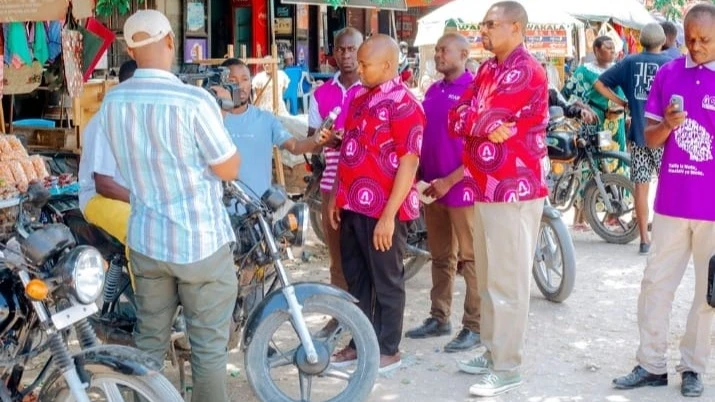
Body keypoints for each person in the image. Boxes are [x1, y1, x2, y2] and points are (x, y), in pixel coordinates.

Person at [97, 10, 240, 402]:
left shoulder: (113, 102)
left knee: (149, 344)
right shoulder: (193, 101)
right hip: (200, 243)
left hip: (146, 240)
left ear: (129, 49)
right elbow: (228, 167)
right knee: (208, 349)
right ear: (171, 42)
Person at [612, 4, 715, 398]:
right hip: (672, 203)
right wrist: (667, 127)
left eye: (705, 40)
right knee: (655, 284)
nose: (696, 46)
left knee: (709, 293)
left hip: (712, 209)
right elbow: (648, 138)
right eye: (690, 39)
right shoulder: (668, 73)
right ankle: (651, 364)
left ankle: (694, 367)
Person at [449, 2, 548, 397]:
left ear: (517, 28)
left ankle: (508, 367)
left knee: (509, 281)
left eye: (491, 24)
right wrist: (483, 124)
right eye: (482, 24)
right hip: (485, 184)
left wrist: (482, 119)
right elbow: (457, 119)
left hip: (514, 187)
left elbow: (480, 115)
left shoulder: (528, 70)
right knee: (490, 277)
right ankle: (491, 352)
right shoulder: (488, 69)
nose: (483, 31)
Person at [328, 34, 425, 373]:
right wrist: (339, 196)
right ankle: (359, 341)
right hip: (353, 205)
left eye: (366, 63)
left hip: (385, 208)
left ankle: (388, 349)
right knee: (357, 280)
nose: (359, 66)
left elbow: (409, 163)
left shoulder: (404, 104)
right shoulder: (357, 98)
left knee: (386, 280)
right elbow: (348, 150)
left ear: (387, 65)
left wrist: (388, 217)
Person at [404, 33, 481, 353]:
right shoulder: (433, 91)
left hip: (462, 189)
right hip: (432, 189)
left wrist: (450, 180)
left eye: (443, 50)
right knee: (441, 256)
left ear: (463, 54)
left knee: (470, 258)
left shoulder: (476, 91)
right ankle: (439, 317)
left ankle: (475, 326)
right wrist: (419, 177)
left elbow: (480, 148)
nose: (437, 55)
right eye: (435, 50)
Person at [594, 23, 672, 255]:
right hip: (663, 135)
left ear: (641, 42)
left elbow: (599, 83)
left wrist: (622, 103)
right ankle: (662, 236)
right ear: (662, 42)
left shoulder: (630, 62)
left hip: (638, 135)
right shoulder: (669, 64)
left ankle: (644, 239)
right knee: (667, 185)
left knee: (641, 186)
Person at [220, 58, 333, 199]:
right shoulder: (212, 120)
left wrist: (316, 139)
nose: (240, 86)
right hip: (221, 209)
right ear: (221, 84)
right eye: (232, 80)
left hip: (258, 211)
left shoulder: (265, 119)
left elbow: (295, 146)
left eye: (245, 79)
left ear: (251, 83)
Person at [307, 27, 363, 295]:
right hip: (332, 184)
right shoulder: (321, 94)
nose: (346, 54)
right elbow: (312, 140)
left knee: (366, 258)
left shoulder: (375, 88)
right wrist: (327, 140)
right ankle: (338, 317)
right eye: (341, 49)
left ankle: (365, 320)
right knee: (337, 259)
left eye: (352, 48)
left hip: (368, 183)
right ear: (334, 53)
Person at [562, 36, 627, 229]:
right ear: (596, 50)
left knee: (615, 165)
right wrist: (585, 108)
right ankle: (580, 216)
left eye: (613, 47)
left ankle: (613, 213)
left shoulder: (618, 68)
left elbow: (623, 95)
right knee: (590, 167)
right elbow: (568, 95)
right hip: (594, 123)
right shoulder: (585, 71)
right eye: (607, 47)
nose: (612, 50)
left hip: (615, 127)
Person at [79, 60, 136, 244]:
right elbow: (103, 185)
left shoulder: (138, 119)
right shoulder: (105, 121)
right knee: (140, 231)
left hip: (130, 198)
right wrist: (142, 203)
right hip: (97, 198)